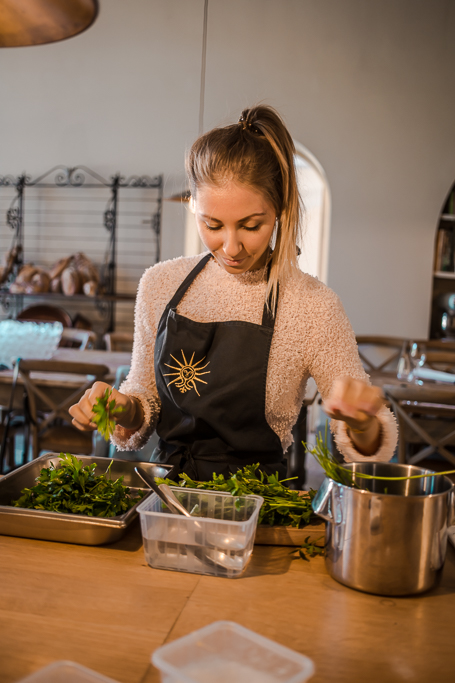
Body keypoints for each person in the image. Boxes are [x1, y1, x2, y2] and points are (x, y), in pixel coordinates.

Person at [69, 105, 397, 481]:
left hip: (257, 504)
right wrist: (121, 408)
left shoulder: (313, 305)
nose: (231, 247)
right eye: (213, 224)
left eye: (251, 225)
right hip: (165, 497)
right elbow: (144, 396)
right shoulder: (160, 283)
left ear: (279, 210)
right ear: (194, 207)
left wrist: (363, 423)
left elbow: (369, 443)